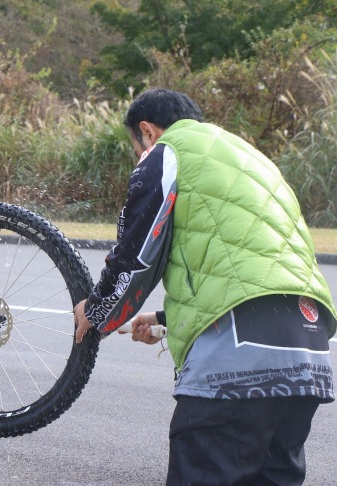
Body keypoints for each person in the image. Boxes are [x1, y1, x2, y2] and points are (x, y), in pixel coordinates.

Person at [73, 88, 336, 485]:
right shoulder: (249, 156)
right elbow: (253, 265)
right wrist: (165, 319)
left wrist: (96, 309)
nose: (139, 155)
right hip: (308, 353)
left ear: (147, 131)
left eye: (136, 147)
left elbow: (137, 249)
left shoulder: (167, 151)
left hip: (237, 360)